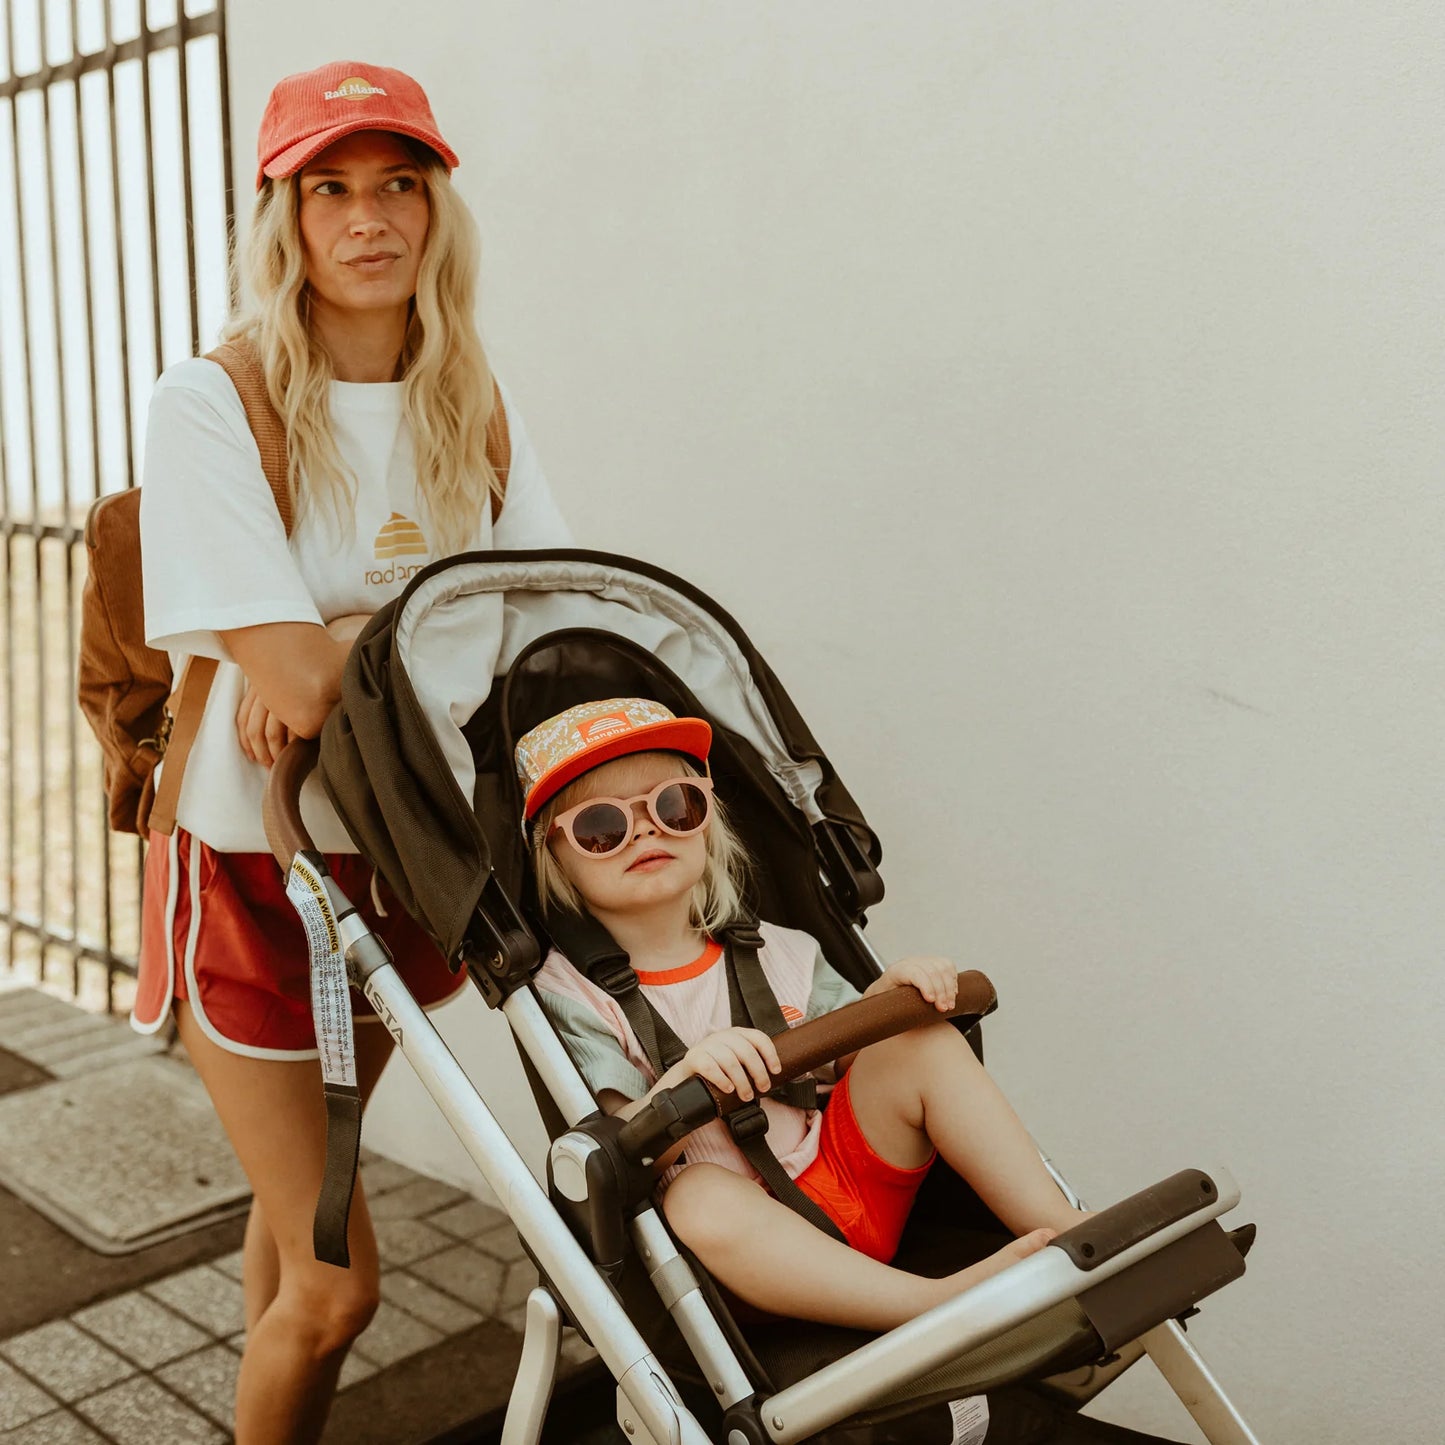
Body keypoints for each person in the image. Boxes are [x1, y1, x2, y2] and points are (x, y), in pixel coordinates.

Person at [132, 62, 570, 1444]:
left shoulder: (469, 394)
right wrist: (348, 641)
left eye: (397, 185)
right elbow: (304, 688)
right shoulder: (216, 399)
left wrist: (344, 615)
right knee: (337, 1290)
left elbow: (542, 631)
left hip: (401, 866)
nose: (367, 219)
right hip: (263, 880)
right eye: (331, 187)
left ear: (436, 209)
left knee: (294, 1224)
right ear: (286, 213)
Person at [520, 698, 1087, 1333]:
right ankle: (930, 1307)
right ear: (554, 854)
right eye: (603, 825)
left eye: (675, 806)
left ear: (707, 820)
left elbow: (857, 1061)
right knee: (696, 1197)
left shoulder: (783, 950)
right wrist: (685, 1085)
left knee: (918, 1041)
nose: (649, 831)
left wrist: (888, 1004)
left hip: (849, 1173)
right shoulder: (570, 995)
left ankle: (1074, 1236)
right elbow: (624, 1149)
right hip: (753, 1248)